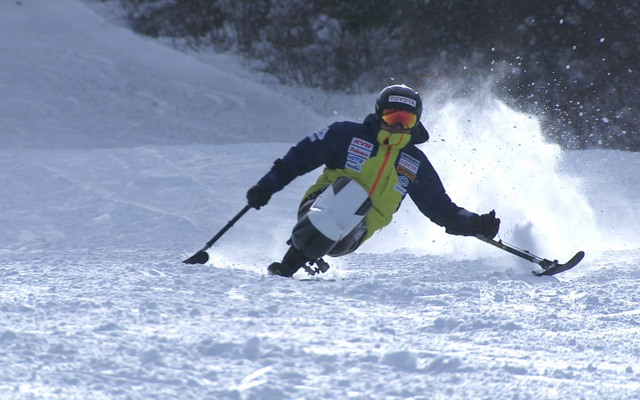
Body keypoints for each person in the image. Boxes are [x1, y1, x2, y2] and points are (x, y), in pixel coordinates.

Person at [246, 84, 500, 277]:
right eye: (392, 118)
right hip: (318, 206)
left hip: (356, 231)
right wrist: (266, 187)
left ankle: (298, 258)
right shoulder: (346, 134)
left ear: (415, 125)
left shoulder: (414, 161)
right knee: (350, 194)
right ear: (379, 116)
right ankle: (287, 267)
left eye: (406, 121)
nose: (397, 128)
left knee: (355, 203)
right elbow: (298, 158)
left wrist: (475, 224)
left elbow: (440, 208)